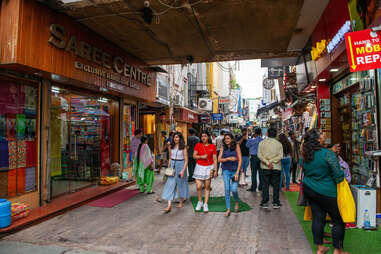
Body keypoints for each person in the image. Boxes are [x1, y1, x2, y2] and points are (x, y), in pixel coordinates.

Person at [302, 129, 347, 254]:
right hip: (326, 191)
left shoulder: (306, 153)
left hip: (309, 189)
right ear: (317, 139)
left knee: (317, 217)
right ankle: (338, 250)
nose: (324, 133)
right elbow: (338, 175)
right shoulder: (327, 154)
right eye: (321, 133)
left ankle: (320, 248)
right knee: (338, 220)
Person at [161, 132, 189, 213]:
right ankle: (169, 205)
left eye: (177, 137)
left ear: (180, 138)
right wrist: (169, 167)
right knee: (170, 184)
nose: (175, 139)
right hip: (172, 165)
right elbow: (170, 157)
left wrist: (183, 170)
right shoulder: (171, 146)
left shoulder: (183, 147)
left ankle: (181, 201)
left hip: (181, 165)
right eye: (174, 137)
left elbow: (186, 160)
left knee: (181, 184)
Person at [257, 128, 283, 209]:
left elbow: (259, 155)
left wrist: (268, 162)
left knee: (265, 185)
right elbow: (280, 156)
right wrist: (272, 162)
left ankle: (265, 202)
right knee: (276, 186)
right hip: (276, 167)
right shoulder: (279, 144)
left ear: (267, 134)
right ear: (275, 134)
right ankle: (276, 202)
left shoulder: (262, 143)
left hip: (265, 167)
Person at [193, 130, 218, 213]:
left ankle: (205, 203)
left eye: (205, 136)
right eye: (202, 136)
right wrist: (201, 157)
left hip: (209, 168)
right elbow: (194, 156)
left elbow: (215, 159)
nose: (203, 137)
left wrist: (216, 170)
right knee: (198, 186)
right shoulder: (198, 145)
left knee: (207, 186)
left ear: (208, 137)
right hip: (199, 167)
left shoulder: (213, 146)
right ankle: (200, 202)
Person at [219, 133, 242, 217]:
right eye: (225, 139)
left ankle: (236, 201)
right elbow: (219, 159)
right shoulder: (222, 147)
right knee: (227, 189)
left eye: (228, 138)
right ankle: (228, 209)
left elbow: (240, 160)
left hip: (235, 170)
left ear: (232, 139)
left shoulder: (236, 146)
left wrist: (237, 173)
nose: (226, 140)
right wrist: (228, 158)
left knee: (234, 189)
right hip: (226, 170)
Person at [246, 128, 263, 192]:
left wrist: (251, 137)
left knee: (254, 173)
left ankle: (253, 187)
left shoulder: (251, 140)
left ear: (255, 133)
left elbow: (247, 145)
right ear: (261, 133)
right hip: (261, 157)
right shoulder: (263, 140)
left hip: (254, 157)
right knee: (261, 173)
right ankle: (261, 187)